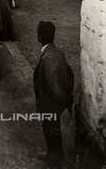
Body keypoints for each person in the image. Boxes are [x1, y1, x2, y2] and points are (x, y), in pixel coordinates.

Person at [34, 21, 74, 169]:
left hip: (50, 105)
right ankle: (54, 155)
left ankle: (56, 160)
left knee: (51, 131)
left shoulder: (47, 58)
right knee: (53, 130)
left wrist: (61, 100)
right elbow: (70, 72)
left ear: (40, 36)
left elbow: (54, 87)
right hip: (54, 104)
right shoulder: (57, 50)